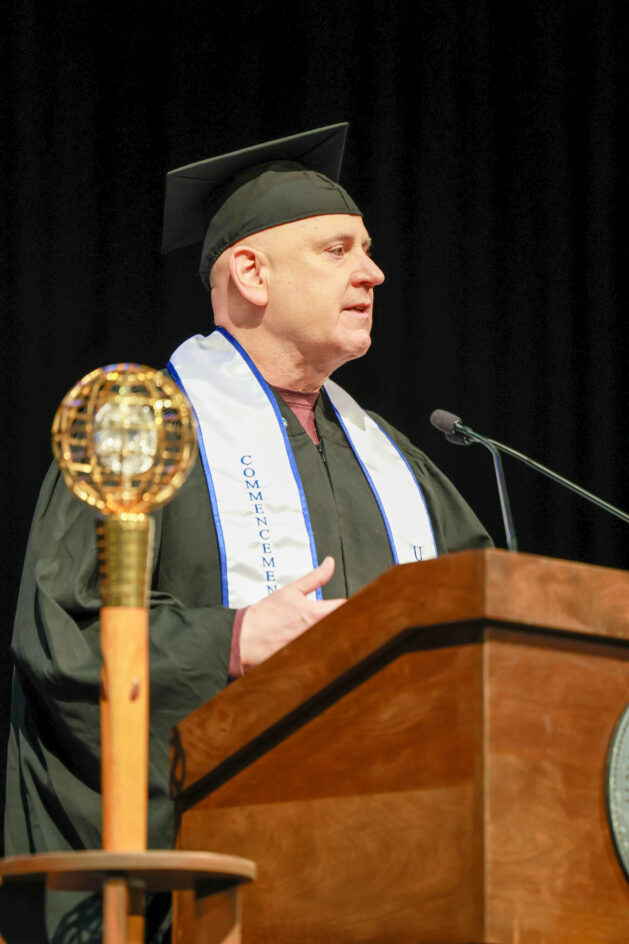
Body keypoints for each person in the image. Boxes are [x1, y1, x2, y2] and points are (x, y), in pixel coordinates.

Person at [3, 123, 491, 942]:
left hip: (390, 877)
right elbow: (64, 638)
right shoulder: (136, 433)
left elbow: (483, 627)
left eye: (367, 250)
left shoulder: (396, 462)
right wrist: (233, 641)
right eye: (337, 250)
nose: (371, 272)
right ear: (251, 272)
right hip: (206, 888)